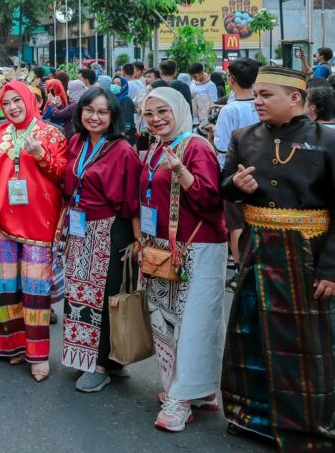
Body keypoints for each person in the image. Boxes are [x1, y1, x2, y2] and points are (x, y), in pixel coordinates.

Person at [219, 66, 335, 449]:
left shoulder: (328, 141)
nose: (258, 101)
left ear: (296, 99)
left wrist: (331, 269)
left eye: (267, 95)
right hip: (257, 251)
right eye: (257, 95)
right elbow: (224, 188)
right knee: (249, 334)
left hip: (307, 255)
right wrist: (236, 186)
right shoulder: (244, 137)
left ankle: (305, 425)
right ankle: (253, 417)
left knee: (306, 345)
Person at [137, 88, 227, 432]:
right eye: (149, 114)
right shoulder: (158, 147)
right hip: (163, 248)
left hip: (198, 248)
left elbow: (210, 200)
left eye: (163, 111)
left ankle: (181, 399)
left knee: (193, 324)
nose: (156, 119)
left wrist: (183, 174)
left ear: (179, 110)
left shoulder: (196, 147)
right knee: (168, 322)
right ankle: (198, 390)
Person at [0, 80, 68, 382]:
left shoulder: (52, 134)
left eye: (18, 100)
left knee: (35, 291)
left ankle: (38, 354)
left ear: (31, 100)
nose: (13, 107)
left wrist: (41, 154)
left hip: (37, 222)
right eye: (7, 103)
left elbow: (62, 174)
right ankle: (13, 345)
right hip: (1, 220)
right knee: (5, 288)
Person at [59, 87, 141, 392]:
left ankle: (103, 364)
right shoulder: (77, 142)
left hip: (110, 231)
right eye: (89, 110)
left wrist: (138, 242)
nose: (94, 117)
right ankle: (87, 357)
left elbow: (133, 200)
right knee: (80, 293)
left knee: (106, 297)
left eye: (102, 112)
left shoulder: (123, 150)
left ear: (113, 116)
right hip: (80, 229)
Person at [212, 57, 260, 281]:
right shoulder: (262, 104)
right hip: (262, 171)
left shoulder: (229, 110)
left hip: (235, 173)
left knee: (236, 223)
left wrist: (223, 179)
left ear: (231, 80)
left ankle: (241, 268)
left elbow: (221, 148)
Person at [189, 63, 219, 128]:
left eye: (195, 76)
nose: (193, 78)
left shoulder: (210, 85)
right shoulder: (192, 83)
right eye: (192, 77)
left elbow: (214, 103)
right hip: (195, 118)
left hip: (206, 119)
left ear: (202, 72)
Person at [109, 75, 137, 143]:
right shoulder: (111, 99)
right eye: (113, 83)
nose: (115, 85)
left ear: (124, 86)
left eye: (119, 84)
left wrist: (123, 133)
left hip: (124, 135)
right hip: (114, 133)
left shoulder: (126, 100)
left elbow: (127, 120)